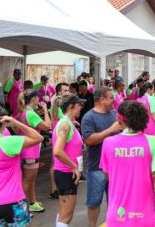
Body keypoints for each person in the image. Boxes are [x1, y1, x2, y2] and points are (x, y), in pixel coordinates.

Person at [99, 100, 155, 226]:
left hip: (117, 215)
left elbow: (108, 176)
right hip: (145, 215)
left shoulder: (108, 143)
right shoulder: (153, 142)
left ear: (120, 120)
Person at [0, 105, 43, 226]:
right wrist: (17, 123)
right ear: (4, 121)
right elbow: (38, 137)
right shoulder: (8, 142)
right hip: (12, 199)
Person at [81, 87, 122, 227]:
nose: (114, 100)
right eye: (111, 98)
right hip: (96, 167)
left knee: (115, 201)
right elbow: (89, 140)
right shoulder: (89, 117)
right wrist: (110, 130)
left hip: (116, 168)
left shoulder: (115, 114)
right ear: (102, 100)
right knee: (94, 202)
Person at [51, 94, 86, 227]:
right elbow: (57, 151)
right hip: (66, 173)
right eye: (78, 105)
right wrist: (74, 166)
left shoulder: (67, 122)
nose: (81, 107)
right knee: (66, 216)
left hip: (64, 173)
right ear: (71, 106)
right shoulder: (65, 124)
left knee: (63, 213)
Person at [16, 89, 51, 213]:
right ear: (32, 99)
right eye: (38, 97)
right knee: (27, 180)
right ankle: (18, 209)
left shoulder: (21, 112)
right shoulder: (30, 114)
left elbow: (15, 130)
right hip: (31, 151)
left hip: (23, 148)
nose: (39, 99)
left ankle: (32, 202)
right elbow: (48, 126)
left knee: (30, 179)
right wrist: (46, 111)